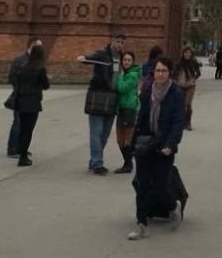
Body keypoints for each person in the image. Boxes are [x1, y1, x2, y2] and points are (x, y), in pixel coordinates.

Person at [128, 57, 186, 239]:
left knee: (161, 185)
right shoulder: (147, 92)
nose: (160, 74)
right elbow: (141, 119)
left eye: (163, 71)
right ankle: (141, 225)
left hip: (164, 144)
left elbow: (178, 122)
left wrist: (171, 144)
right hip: (146, 143)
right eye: (157, 71)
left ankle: (172, 205)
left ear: (169, 73)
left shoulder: (176, 94)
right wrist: (133, 143)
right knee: (143, 185)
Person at [78, 31, 126, 175]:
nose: (119, 45)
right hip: (98, 97)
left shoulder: (124, 58)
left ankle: (94, 161)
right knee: (96, 132)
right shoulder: (103, 54)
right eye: (117, 41)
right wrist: (84, 58)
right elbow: (91, 58)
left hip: (113, 99)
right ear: (111, 41)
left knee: (104, 134)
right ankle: (98, 164)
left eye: (122, 42)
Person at [10, 43, 50, 165]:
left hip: (21, 100)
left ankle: (20, 151)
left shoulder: (22, 67)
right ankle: (23, 156)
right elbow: (46, 85)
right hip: (33, 101)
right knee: (29, 129)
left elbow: (16, 81)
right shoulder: (40, 69)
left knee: (22, 128)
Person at [7, 38, 42, 158]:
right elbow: (12, 77)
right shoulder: (20, 60)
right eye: (38, 47)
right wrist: (21, 88)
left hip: (31, 98)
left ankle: (22, 149)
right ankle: (13, 149)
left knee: (26, 125)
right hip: (20, 96)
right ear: (31, 47)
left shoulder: (35, 61)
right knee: (18, 122)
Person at [114, 50, 141, 173]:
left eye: (129, 60)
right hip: (122, 109)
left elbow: (122, 88)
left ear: (133, 62)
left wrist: (119, 77)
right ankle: (127, 162)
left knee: (127, 139)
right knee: (120, 139)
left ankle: (128, 164)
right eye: (124, 60)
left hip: (129, 109)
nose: (126, 62)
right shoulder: (127, 73)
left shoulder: (132, 75)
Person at [173, 46, 202, 129]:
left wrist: (193, 79)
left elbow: (198, 73)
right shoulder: (179, 63)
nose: (187, 54)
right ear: (183, 54)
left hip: (190, 86)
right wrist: (177, 81)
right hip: (180, 86)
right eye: (186, 53)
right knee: (181, 104)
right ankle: (181, 122)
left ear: (191, 54)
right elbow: (174, 74)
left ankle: (188, 123)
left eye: (189, 53)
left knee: (188, 104)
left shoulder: (194, 63)